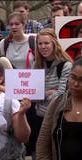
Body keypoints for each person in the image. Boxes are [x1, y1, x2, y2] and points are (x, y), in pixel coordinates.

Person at [28, 28, 73, 159]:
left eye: (46, 43)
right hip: (38, 116)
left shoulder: (66, 66)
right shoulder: (36, 64)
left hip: (56, 118)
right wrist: (46, 93)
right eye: (40, 44)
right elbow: (32, 94)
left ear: (54, 43)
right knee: (38, 153)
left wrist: (41, 94)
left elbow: (61, 95)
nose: (43, 47)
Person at [36, 57, 82, 160]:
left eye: (81, 80)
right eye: (73, 77)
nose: (76, 84)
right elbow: (43, 143)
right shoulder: (58, 103)